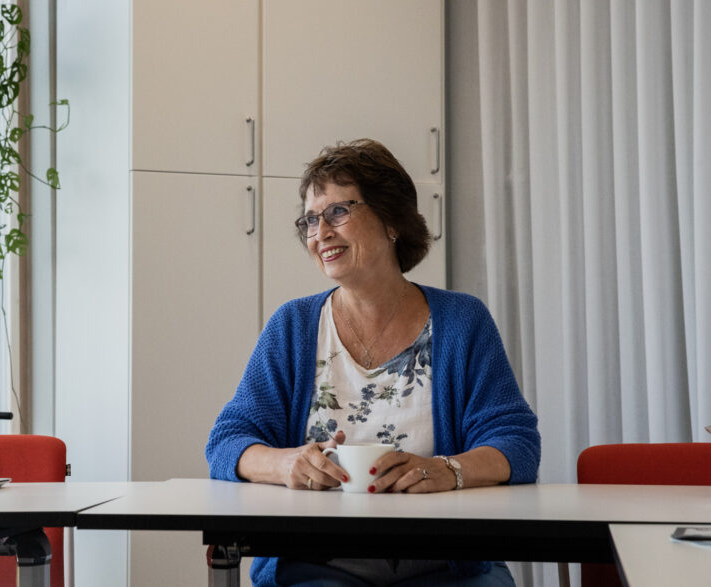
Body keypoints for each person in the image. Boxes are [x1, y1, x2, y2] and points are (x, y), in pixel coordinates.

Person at [206, 139, 541, 587]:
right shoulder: (293, 326)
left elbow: (516, 444)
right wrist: (286, 465)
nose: (319, 232)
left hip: (448, 566)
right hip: (315, 567)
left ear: (391, 221)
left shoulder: (462, 321)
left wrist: (449, 470)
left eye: (338, 212)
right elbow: (228, 442)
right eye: (310, 219)